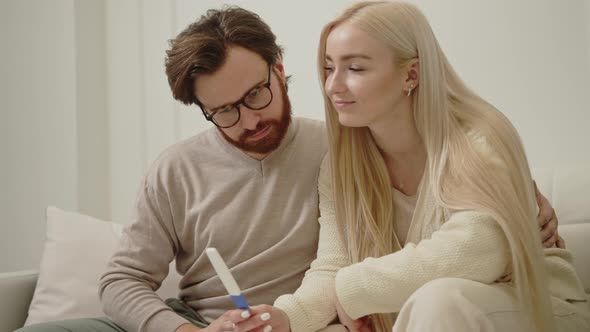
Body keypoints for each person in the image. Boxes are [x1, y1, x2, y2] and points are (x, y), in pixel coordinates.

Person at [16, 5, 564, 332]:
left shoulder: (339, 143)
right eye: (225, 111)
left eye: (257, 94)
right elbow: (123, 280)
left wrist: (520, 200)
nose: (249, 119)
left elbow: (470, 237)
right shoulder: (181, 170)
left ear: (279, 69)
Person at [227, 1, 589, 332]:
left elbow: (480, 249)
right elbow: (332, 268)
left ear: (411, 75)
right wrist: (286, 318)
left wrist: (354, 288)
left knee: (442, 300)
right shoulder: (341, 168)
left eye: (354, 68)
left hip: (537, 306)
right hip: (429, 317)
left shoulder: (479, 137)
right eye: (328, 68)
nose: (333, 85)